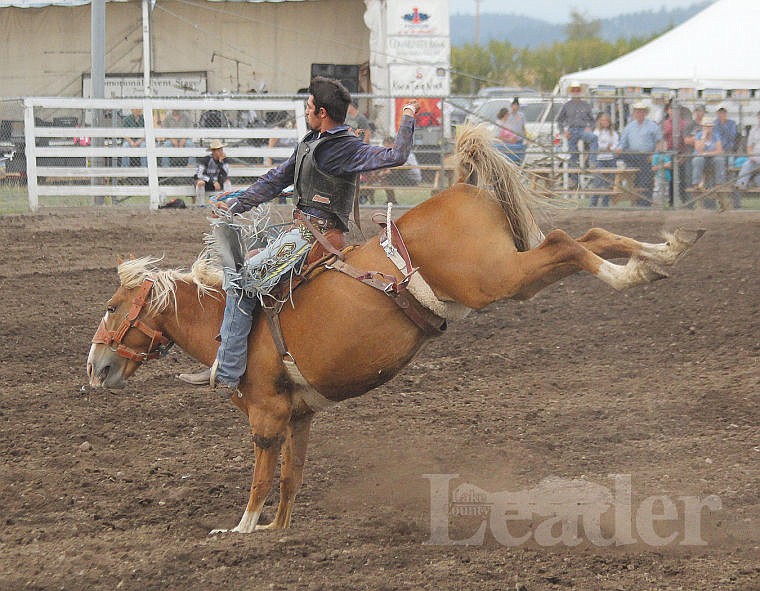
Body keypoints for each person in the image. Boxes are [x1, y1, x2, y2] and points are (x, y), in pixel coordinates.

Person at [178, 77, 420, 390]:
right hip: (301, 231)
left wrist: (409, 117)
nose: (305, 111)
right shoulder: (312, 142)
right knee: (243, 262)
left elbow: (395, 156)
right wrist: (236, 203)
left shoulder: (342, 148)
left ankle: (227, 369)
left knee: (241, 278)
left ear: (321, 112)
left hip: (313, 237)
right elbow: (276, 179)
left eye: (308, 106)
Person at [616, 101, 662, 205]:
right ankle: (635, 203)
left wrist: (655, 155)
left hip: (647, 157)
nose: (639, 114)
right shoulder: (629, 127)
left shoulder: (653, 126)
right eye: (637, 112)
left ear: (646, 113)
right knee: (634, 181)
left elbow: (659, 142)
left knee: (646, 181)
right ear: (634, 113)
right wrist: (619, 148)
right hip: (632, 158)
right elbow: (622, 142)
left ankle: (645, 203)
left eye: (641, 111)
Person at [557, 81, 597, 185]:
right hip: (571, 130)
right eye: (573, 90)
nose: (575, 92)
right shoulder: (566, 105)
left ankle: (592, 161)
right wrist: (563, 132)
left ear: (580, 91)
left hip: (583, 129)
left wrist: (590, 128)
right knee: (573, 155)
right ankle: (575, 180)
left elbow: (593, 120)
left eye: (577, 90)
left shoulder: (586, 105)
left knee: (593, 138)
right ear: (571, 92)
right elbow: (559, 120)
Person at [363, 136, 422, 204]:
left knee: (384, 178)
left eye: (386, 146)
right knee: (379, 173)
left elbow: (400, 167)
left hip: (411, 178)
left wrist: (382, 173)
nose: (385, 149)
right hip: (403, 175)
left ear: (392, 144)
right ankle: (367, 189)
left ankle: (366, 190)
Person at [590, 112, 618, 207]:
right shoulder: (596, 132)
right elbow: (596, 145)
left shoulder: (613, 133)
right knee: (598, 182)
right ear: (600, 122)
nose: (604, 122)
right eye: (602, 120)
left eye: (606, 120)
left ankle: (605, 203)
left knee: (609, 182)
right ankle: (593, 203)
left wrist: (609, 148)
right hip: (599, 159)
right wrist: (606, 147)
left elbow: (615, 144)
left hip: (610, 159)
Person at [690, 116, 725, 189]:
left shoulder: (716, 136)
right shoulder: (698, 135)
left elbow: (719, 151)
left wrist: (707, 153)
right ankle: (696, 183)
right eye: (706, 126)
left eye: (709, 126)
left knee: (720, 160)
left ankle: (719, 183)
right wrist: (704, 137)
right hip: (701, 158)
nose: (708, 128)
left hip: (712, 158)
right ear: (702, 127)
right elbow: (699, 150)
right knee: (698, 159)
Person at [194, 140, 232, 205]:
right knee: (200, 182)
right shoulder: (206, 160)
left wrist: (221, 162)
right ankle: (202, 205)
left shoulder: (224, 160)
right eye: (219, 150)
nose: (221, 152)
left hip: (218, 183)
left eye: (221, 150)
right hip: (207, 183)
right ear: (213, 151)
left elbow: (225, 174)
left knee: (227, 181)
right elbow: (199, 175)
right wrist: (212, 181)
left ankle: (229, 202)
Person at [495, 98, 527, 164]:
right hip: (507, 143)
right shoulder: (504, 119)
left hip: (517, 140)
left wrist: (526, 138)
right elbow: (499, 134)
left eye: (517, 105)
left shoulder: (521, 115)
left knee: (518, 157)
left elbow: (523, 127)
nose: (515, 107)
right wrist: (509, 139)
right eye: (514, 105)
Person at [735, 110, 760, 194]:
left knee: (757, 179)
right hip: (755, 159)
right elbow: (749, 147)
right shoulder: (754, 130)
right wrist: (751, 156)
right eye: (759, 116)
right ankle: (741, 184)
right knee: (747, 164)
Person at [651, 140, 672, 207]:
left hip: (667, 176)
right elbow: (653, 168)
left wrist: (665, 166)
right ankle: (656, 204)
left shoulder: (667, 155)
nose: (664, 147)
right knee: (657, 190)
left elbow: (669, 165)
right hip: (659, 176)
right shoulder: (656, 156)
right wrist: (663, 166)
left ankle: (664, 205)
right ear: (657, 146)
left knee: (666, 191)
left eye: (665, 146)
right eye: (662, 146)